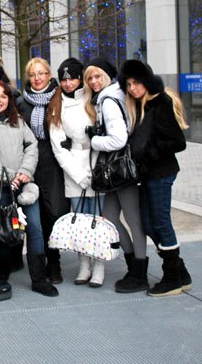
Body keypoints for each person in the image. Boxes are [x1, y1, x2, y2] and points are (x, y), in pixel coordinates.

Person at [0, 81, 58, 297]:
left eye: (3, 96)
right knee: (5, 231)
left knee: (35, 228)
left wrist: (25, 171)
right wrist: (10, 177)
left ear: (9, 99)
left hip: (25, 184)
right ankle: (1, 276)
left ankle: (39, 279)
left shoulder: (18, 121)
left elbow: (31, 146)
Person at [119, 60, 192, 296]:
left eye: (136, 83)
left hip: (161, 173)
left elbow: (177, 142)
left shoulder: (161, 103)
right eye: (128, 84)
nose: (132, 88)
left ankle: (172, 278)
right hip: (147, 174)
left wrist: (149, 152)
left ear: (146, 81)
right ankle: (180, 271)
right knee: (148, 224)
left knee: (160, 223)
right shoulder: (141, 106)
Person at [84, 57, 148, 291]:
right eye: (89, 77)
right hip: (117, 170)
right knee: (109, 219)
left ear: (108, 76)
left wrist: (94, 140)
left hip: (120, 169)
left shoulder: (109, 100)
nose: (93, 81)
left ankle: (139, 272)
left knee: (133, 220)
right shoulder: (112, 96)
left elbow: (119, 138)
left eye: (97, 76)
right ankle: (133, 266)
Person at [48, 58, 103, 285]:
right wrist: (78, 175)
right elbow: (57, 145)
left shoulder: (94, 99)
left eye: (72, 78)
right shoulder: (57, 103)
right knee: (79, 221)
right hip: (73, 169)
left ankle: (99, 265)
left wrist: (95, 170)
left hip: (97, 164)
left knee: (98, 220)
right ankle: (83, 265)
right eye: (64, 79)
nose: (68, 83)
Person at [16, 58, 70, 284]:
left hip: (53, 161)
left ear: (49, 75)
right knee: (32, 214)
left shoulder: (60, 98)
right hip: (30, 161)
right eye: (32, 74)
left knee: (54, 211)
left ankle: (54, 262)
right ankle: (38, 259)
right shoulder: (20, 102)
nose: (37, 78)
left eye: (42, 73)